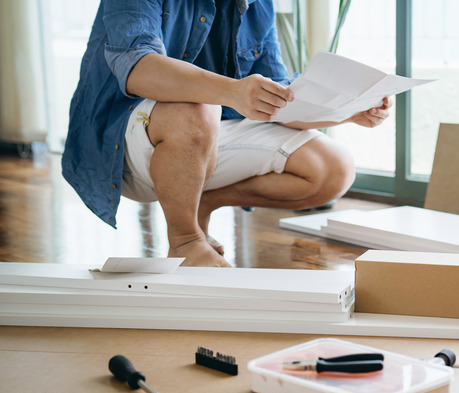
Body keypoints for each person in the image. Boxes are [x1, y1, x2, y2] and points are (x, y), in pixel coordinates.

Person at [62, 0, 390, 268]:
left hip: (205, 132)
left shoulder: (258, 5)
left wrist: (346, 111)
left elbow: (278, 100)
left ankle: (200, 200)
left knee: (334, 168)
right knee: (200, 107)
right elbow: (137, 67)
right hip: (124, 139)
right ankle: (185, 241)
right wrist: (231, 91)